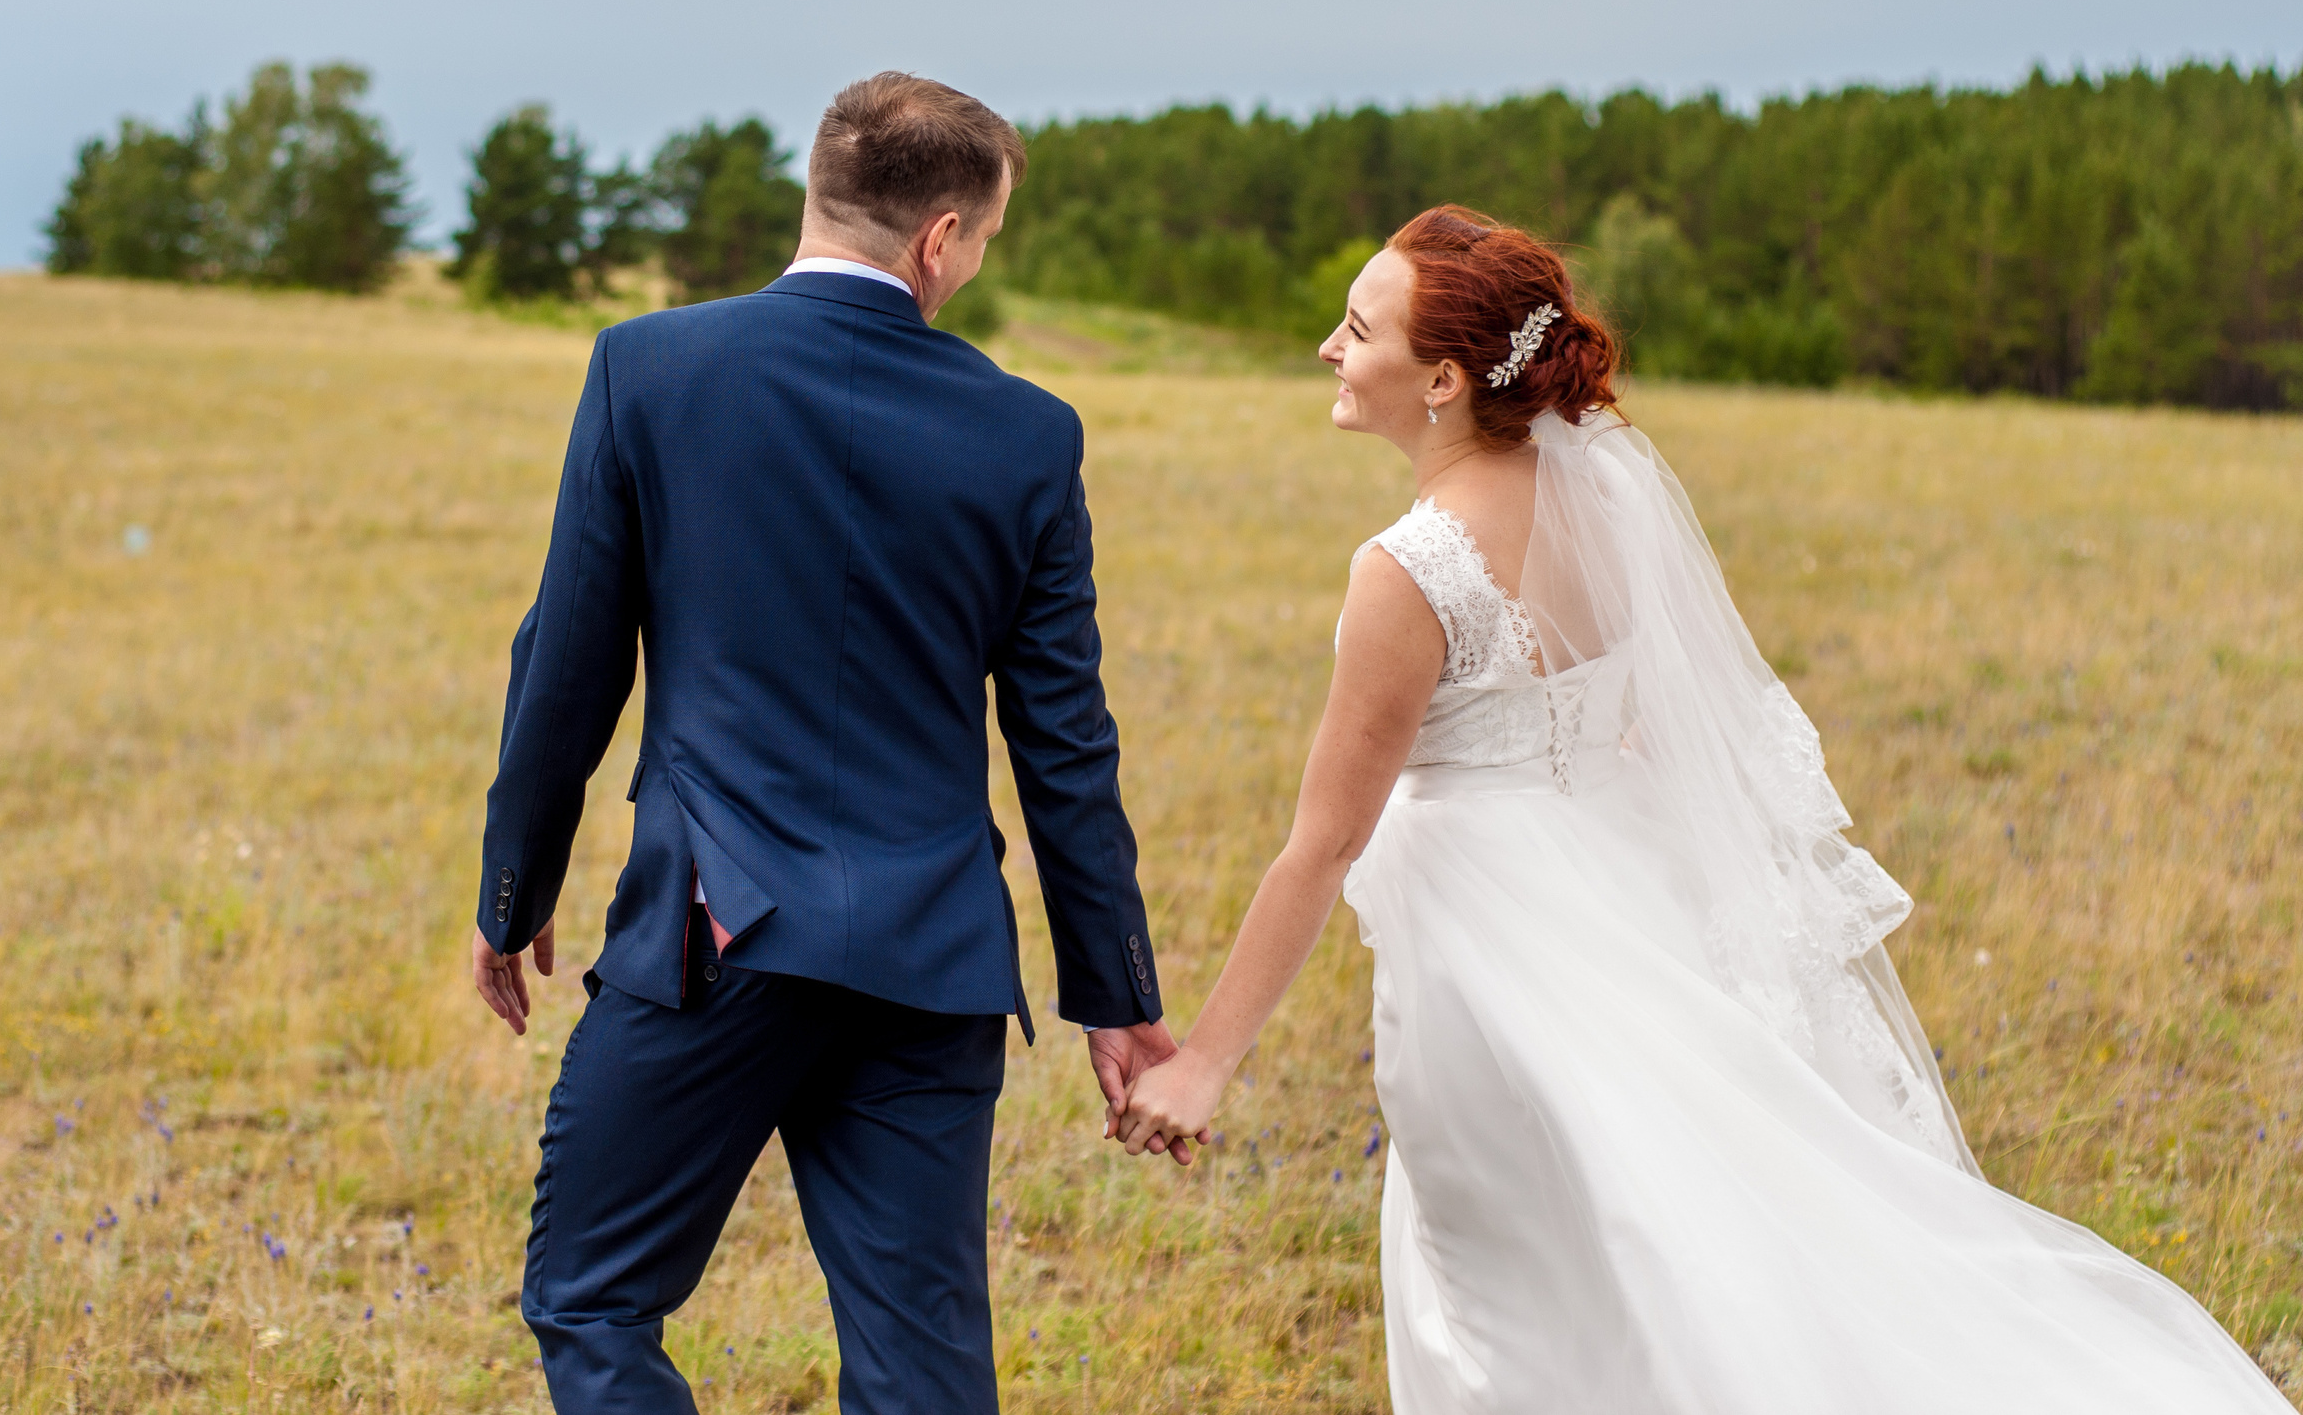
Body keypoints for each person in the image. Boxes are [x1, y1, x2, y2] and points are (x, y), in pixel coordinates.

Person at [1113, 206, 2291, 1411]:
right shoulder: (1602, 500)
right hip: (1617, 900)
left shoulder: (1407, 570)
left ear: (1444, 380)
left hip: (1487, 952)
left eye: (1356, 329)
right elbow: (1637, 725)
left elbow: (1323, 841)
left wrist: (1205, 1061)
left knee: (1511, 1285)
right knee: (1660, 1222)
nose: (1327, 345)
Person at [470, 72, 1184, 1414]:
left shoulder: (650, 367)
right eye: (983, 241)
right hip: (934, 962)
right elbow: (1064, 747)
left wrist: (514, 891)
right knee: (923, 1381)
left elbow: (567, 662)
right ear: (938, 240)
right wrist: (1117, 990)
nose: (974, 266)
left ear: (820, 195)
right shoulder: (1031, 432)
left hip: (715, 941)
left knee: (591, 1294)